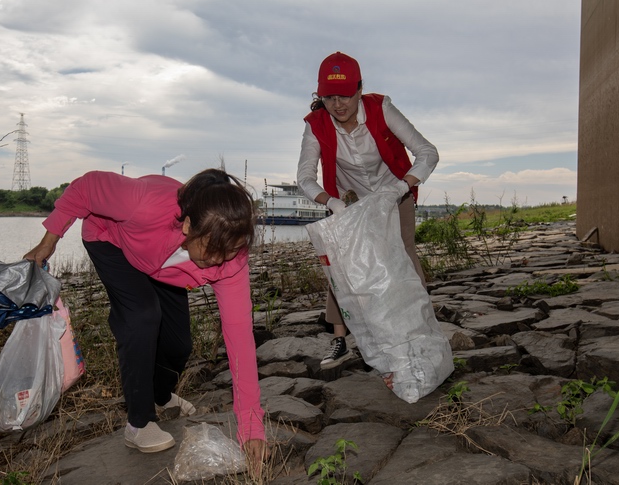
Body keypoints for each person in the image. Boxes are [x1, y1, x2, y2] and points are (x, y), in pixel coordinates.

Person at [23, 168, 266, 471]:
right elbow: (85, 188)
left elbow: (240, 341)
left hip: (165, 267)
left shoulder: (231, 261)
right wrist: (49, 242)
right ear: (188, 225)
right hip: (113, 243)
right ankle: (139, 424)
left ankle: (161, 396)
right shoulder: (145, 203)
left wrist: (252, 428)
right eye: (213, 250)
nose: (219, 261)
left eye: (228, 251)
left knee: (179, 346)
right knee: (141, 316)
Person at [297, 51, 439, 373]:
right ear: (320, 96)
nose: (338, 104)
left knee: (404, 255)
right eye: (329, 97)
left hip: (394, 193)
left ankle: (421, 328)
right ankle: (340, 339)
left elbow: (428, 153)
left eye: (345, 94)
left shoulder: (382, 108)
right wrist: (331, 202)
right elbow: (304, 177)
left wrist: (402, 187)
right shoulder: (315, 125)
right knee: (342, 265)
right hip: (349, 201)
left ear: (359, 89)